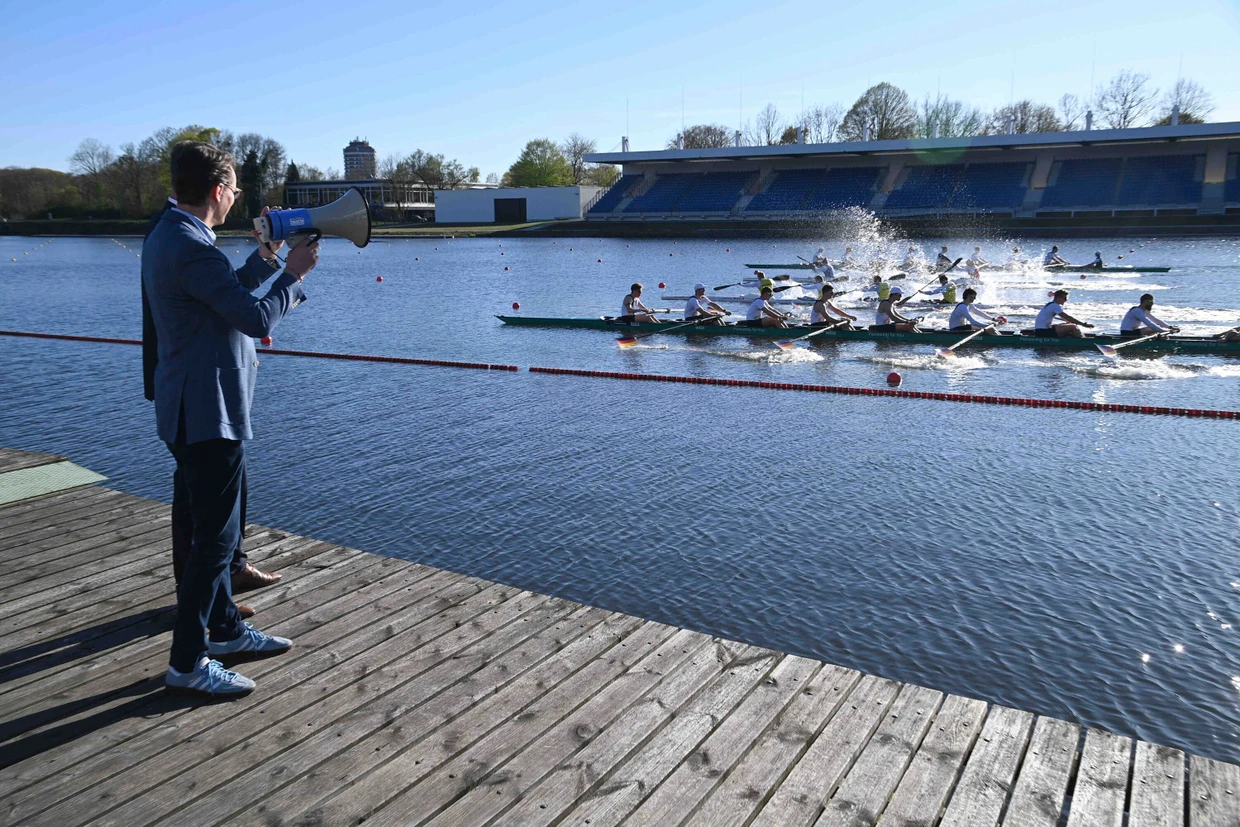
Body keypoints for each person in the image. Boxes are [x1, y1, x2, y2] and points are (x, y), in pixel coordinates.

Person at [145, 141, 317, 698]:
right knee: (216, 540)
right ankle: (186, 662)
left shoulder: (174, 235)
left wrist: (266, 260)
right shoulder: (191, 245)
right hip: (206, 411)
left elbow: (219, 295)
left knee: (212, 528)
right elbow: (249, 316)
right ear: (219, 190)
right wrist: (292, 276)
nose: (236, 198)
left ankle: (225, 631)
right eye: (235, 190)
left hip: (199, 406)